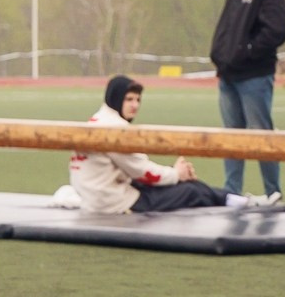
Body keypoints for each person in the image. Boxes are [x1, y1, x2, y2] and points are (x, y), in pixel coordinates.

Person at [70, 75, 253, 214]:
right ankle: (232, 200)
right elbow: (143, 172)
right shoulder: (116, 128)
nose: (135, 105)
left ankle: (228, 197)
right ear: (116, 99)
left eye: (137, 100)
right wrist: (177, 174)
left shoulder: (98, 119)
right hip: (113, 203)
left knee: (185, 185)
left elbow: (138, 170)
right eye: (129, 99)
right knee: (190, 191)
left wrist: (175, 175)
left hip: (96, 197)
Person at [209, 0, 285, 203]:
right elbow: (228, 26)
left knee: (261, 134)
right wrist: (220, 54)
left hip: (254, 75)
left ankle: (273, 192)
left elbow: (276, 30)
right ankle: (232, 192)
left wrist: (248, 51)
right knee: (232, 137)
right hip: (228, 74)